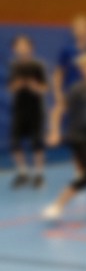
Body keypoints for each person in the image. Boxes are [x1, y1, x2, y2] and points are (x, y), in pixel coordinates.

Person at [43, 52, 86, 220]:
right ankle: (57, 205)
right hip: (80, 137)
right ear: (83, 71)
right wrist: (54, 132)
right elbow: (57, 111)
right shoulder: (77, 90)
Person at [7, 35, 48, 189]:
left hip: (35, 110)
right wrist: (18, 84)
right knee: (15, 142)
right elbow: (11, 88)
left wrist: (33, 86)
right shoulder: (13, 66)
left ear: (31, 48)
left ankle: (39, 174)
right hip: (19, 110)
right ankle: (23, 172)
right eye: (19, 46)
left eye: (25, 45)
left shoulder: (38, 66)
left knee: (37, 142)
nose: (22, 48)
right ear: (14, 49)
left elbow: (44, 89)